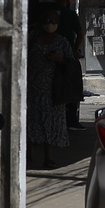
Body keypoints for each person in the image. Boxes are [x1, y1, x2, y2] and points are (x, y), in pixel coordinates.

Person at [28, 9, 76, 169]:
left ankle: (47, 158)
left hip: (53, 90)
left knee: (51, 123)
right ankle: (27, 155)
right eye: (47, 20)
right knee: (29, 122)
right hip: (32, 89)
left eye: (54, 21)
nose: (50, 24)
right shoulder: (33, 38)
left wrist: (58, 59)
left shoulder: (62, 42)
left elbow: (71, 63)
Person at [55, 0, 84, 129]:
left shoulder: (48, 14)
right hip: (67, 55)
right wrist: (75, 49)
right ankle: (71, 119)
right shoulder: (70, 14)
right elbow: (80, 34)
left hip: (49, 55)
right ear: (67, 2)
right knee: (72, 86)